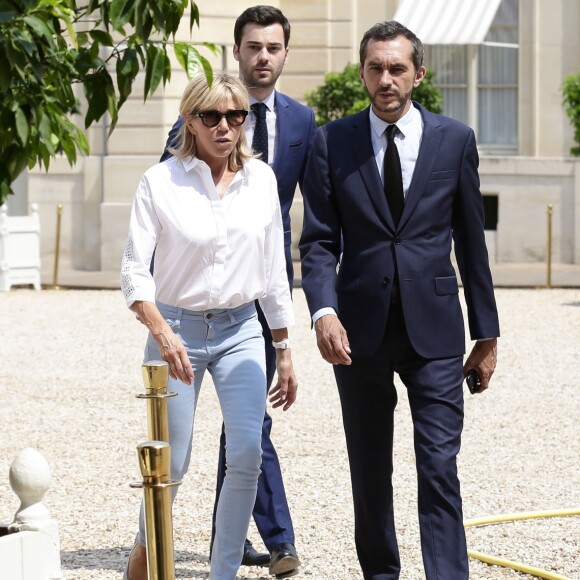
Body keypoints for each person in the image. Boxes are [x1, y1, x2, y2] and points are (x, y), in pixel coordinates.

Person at [299, 20, 500, 580]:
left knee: (439, 466)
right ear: (362, 71)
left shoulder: (454, 139)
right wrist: (323, 310)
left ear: (418, 74)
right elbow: (317, 241)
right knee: (369, 469)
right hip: (356, 333)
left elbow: (470, 241)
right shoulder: (330, 142)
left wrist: (486, 334)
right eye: (375, 68)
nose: (385, 79)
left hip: (435, 331)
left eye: (396, 68)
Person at [121, 72, 297, 580]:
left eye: (236, 116)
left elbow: (272, 270)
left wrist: (283, 347)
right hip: (175, 329)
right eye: (212, 116)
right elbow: (134, 270)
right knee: (172, 463)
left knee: (246, 453)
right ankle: (146, 545)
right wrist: (161, 331)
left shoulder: (262, 180)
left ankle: (222, 574)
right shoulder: (161, 182)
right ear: (190, 121)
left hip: (242, 330)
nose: (226, 126)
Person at [161, 6, 316, 577]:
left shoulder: (302, 122)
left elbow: (314, 214)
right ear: (238, 51)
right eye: (253, 47)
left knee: (249, 427)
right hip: (201, 293)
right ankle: (270, 538)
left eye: (273, 47)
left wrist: (304, 312)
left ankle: (253, 541)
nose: (263, 57)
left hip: (264, 285)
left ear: (284, 54)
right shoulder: (202, 115)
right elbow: (169, 198)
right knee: (221, 434)